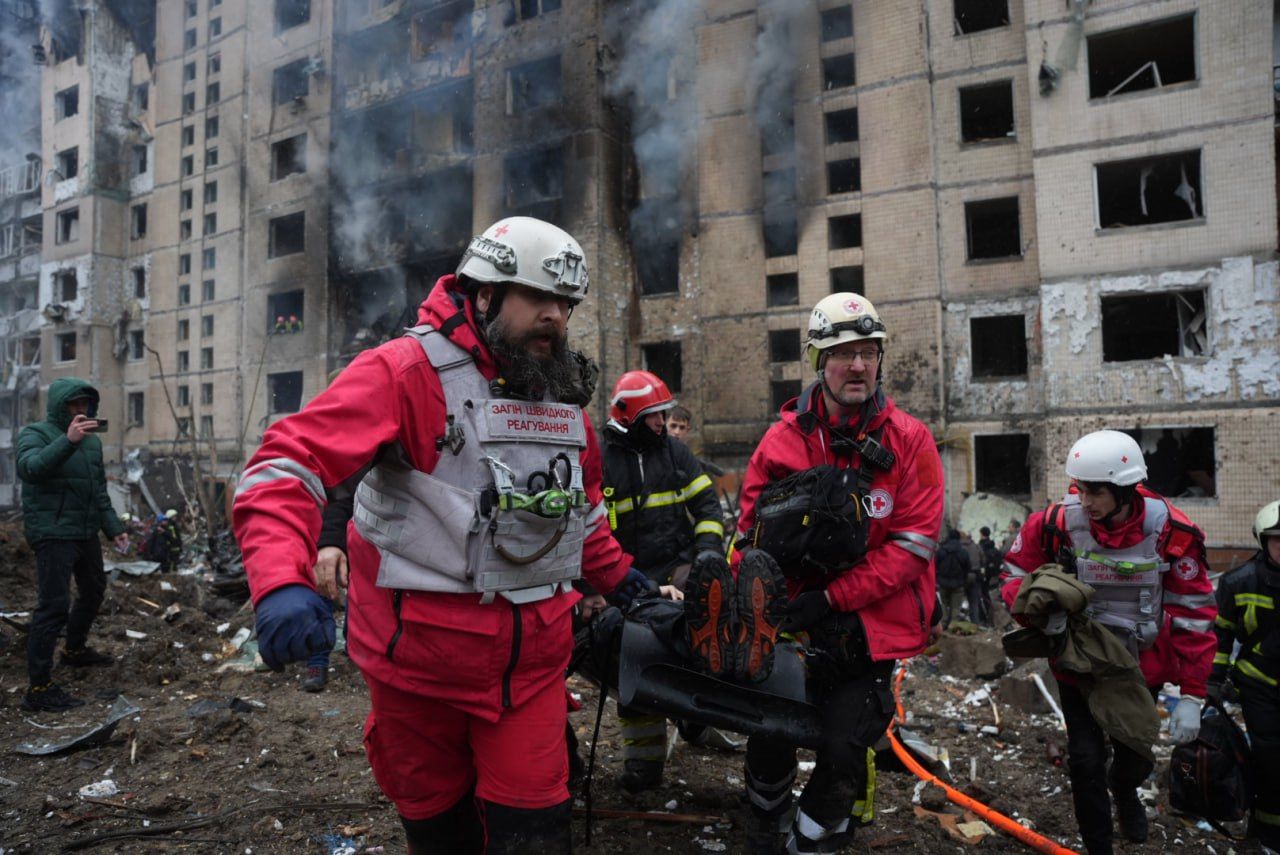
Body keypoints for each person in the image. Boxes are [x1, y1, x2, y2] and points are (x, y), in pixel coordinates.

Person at [232, 217, 661, 854]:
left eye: (565, 305)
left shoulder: (563, 401)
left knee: (536, 835)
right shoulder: (405, 373)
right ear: (483, 293)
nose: (556, 319)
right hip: (416, 678)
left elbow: (583, 514)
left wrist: (624, 580)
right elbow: (286, 464)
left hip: (530, 674)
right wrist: (279, 581)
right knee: (441, 836)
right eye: (537, 300)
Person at [709, 293, 943, 853]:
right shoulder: (782, 441)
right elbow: (747, 540)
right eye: (843, 353)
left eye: (869, 352)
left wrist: (832, 601)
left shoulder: (909, 442)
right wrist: (762, 602)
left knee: (842, 758)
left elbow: (911, 549)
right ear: (819, 360)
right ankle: (765, 820)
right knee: (770, 739)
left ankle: (813, 843)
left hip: (868, 625)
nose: (858, 365)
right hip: (789, 620)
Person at [1000, 430, 1216, 855]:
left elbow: (1194, 615)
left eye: (1097, 492)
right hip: (1076, 663)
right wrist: (1038, 610)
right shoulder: (1054, 524)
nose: (1086, 501)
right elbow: (1012, 575)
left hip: (1140, 666)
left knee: (1133, 753)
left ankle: (1126, 789)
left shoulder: (1172, 532)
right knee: (1084, 760)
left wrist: (1192, 695)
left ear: (1127, 488)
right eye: (1081, 489)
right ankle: (1098, 846)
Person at [601, 369, 725, 793]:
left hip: (677, 571)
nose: (662, 422)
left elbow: (709, 509)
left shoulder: (674, 454)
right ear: (630, 416)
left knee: (697, 649)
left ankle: (696, 718)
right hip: (626, 580)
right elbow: (593, 532)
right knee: (633, 664)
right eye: (655, 415)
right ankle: (644, 766)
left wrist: (704, 558)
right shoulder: (600, 459)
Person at [16, 378, 129, 712]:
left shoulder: (91, 445)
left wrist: (114, 529)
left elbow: (97, 492)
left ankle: (75, 651)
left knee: (94, 588)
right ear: (59, 405)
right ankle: (39, 687)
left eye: (84, 404)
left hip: (84, 531)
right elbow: (30, 469)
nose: (80, 410)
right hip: (51, 531)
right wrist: (67, 441)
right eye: (73, 404)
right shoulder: (35, 434)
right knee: (53, 606)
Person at [1208, 501, 1280, 852]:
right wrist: (1212, 682)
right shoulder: (1239, 582)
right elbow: (1219, 636)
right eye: (1278, 541)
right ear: (1262, 542)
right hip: (1258, 685)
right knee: (1269, 760)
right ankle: (1268, 834)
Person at [935, 529, 969, 628]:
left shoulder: (941, 551)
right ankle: (953, 626)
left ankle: (943, 624)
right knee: (956, 606)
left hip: (943, 583)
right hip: (958, 583)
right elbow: (967, 567)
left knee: (944, 604)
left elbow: (935, 566)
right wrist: (963, 580)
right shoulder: (963, 552)